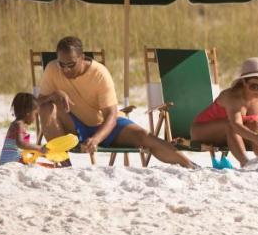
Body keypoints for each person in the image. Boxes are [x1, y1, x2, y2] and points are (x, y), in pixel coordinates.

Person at [37, 36, 194, 168]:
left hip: (104, 124)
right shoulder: (52, 69)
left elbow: (111, 115)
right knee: (46, 108)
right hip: (74, 125)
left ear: (82, 57)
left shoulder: (99, 74)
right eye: (62, 64)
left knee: (144, 137)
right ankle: (64, 167)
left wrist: (97, 138)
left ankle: (190, 166)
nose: (65, 69)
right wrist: (54, 94)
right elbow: (37, 103)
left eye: (71, 64)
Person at [190, 57, 258, 169]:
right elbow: (236, 125)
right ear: (244, 82)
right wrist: (256, 137)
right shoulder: (232, 96)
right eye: (254, 86)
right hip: (202, 131)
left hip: (232, 134)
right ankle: (246, 163)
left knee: (256, 125)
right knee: (230, 124)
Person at [0, 92, 43, 165]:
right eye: (35, 114)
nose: (36, 118)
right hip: (10, 164)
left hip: (13, 161)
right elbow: (21, 144)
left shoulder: (19, 124)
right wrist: (39, 148)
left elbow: (23, 148)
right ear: (28, 113)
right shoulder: (19, 124)